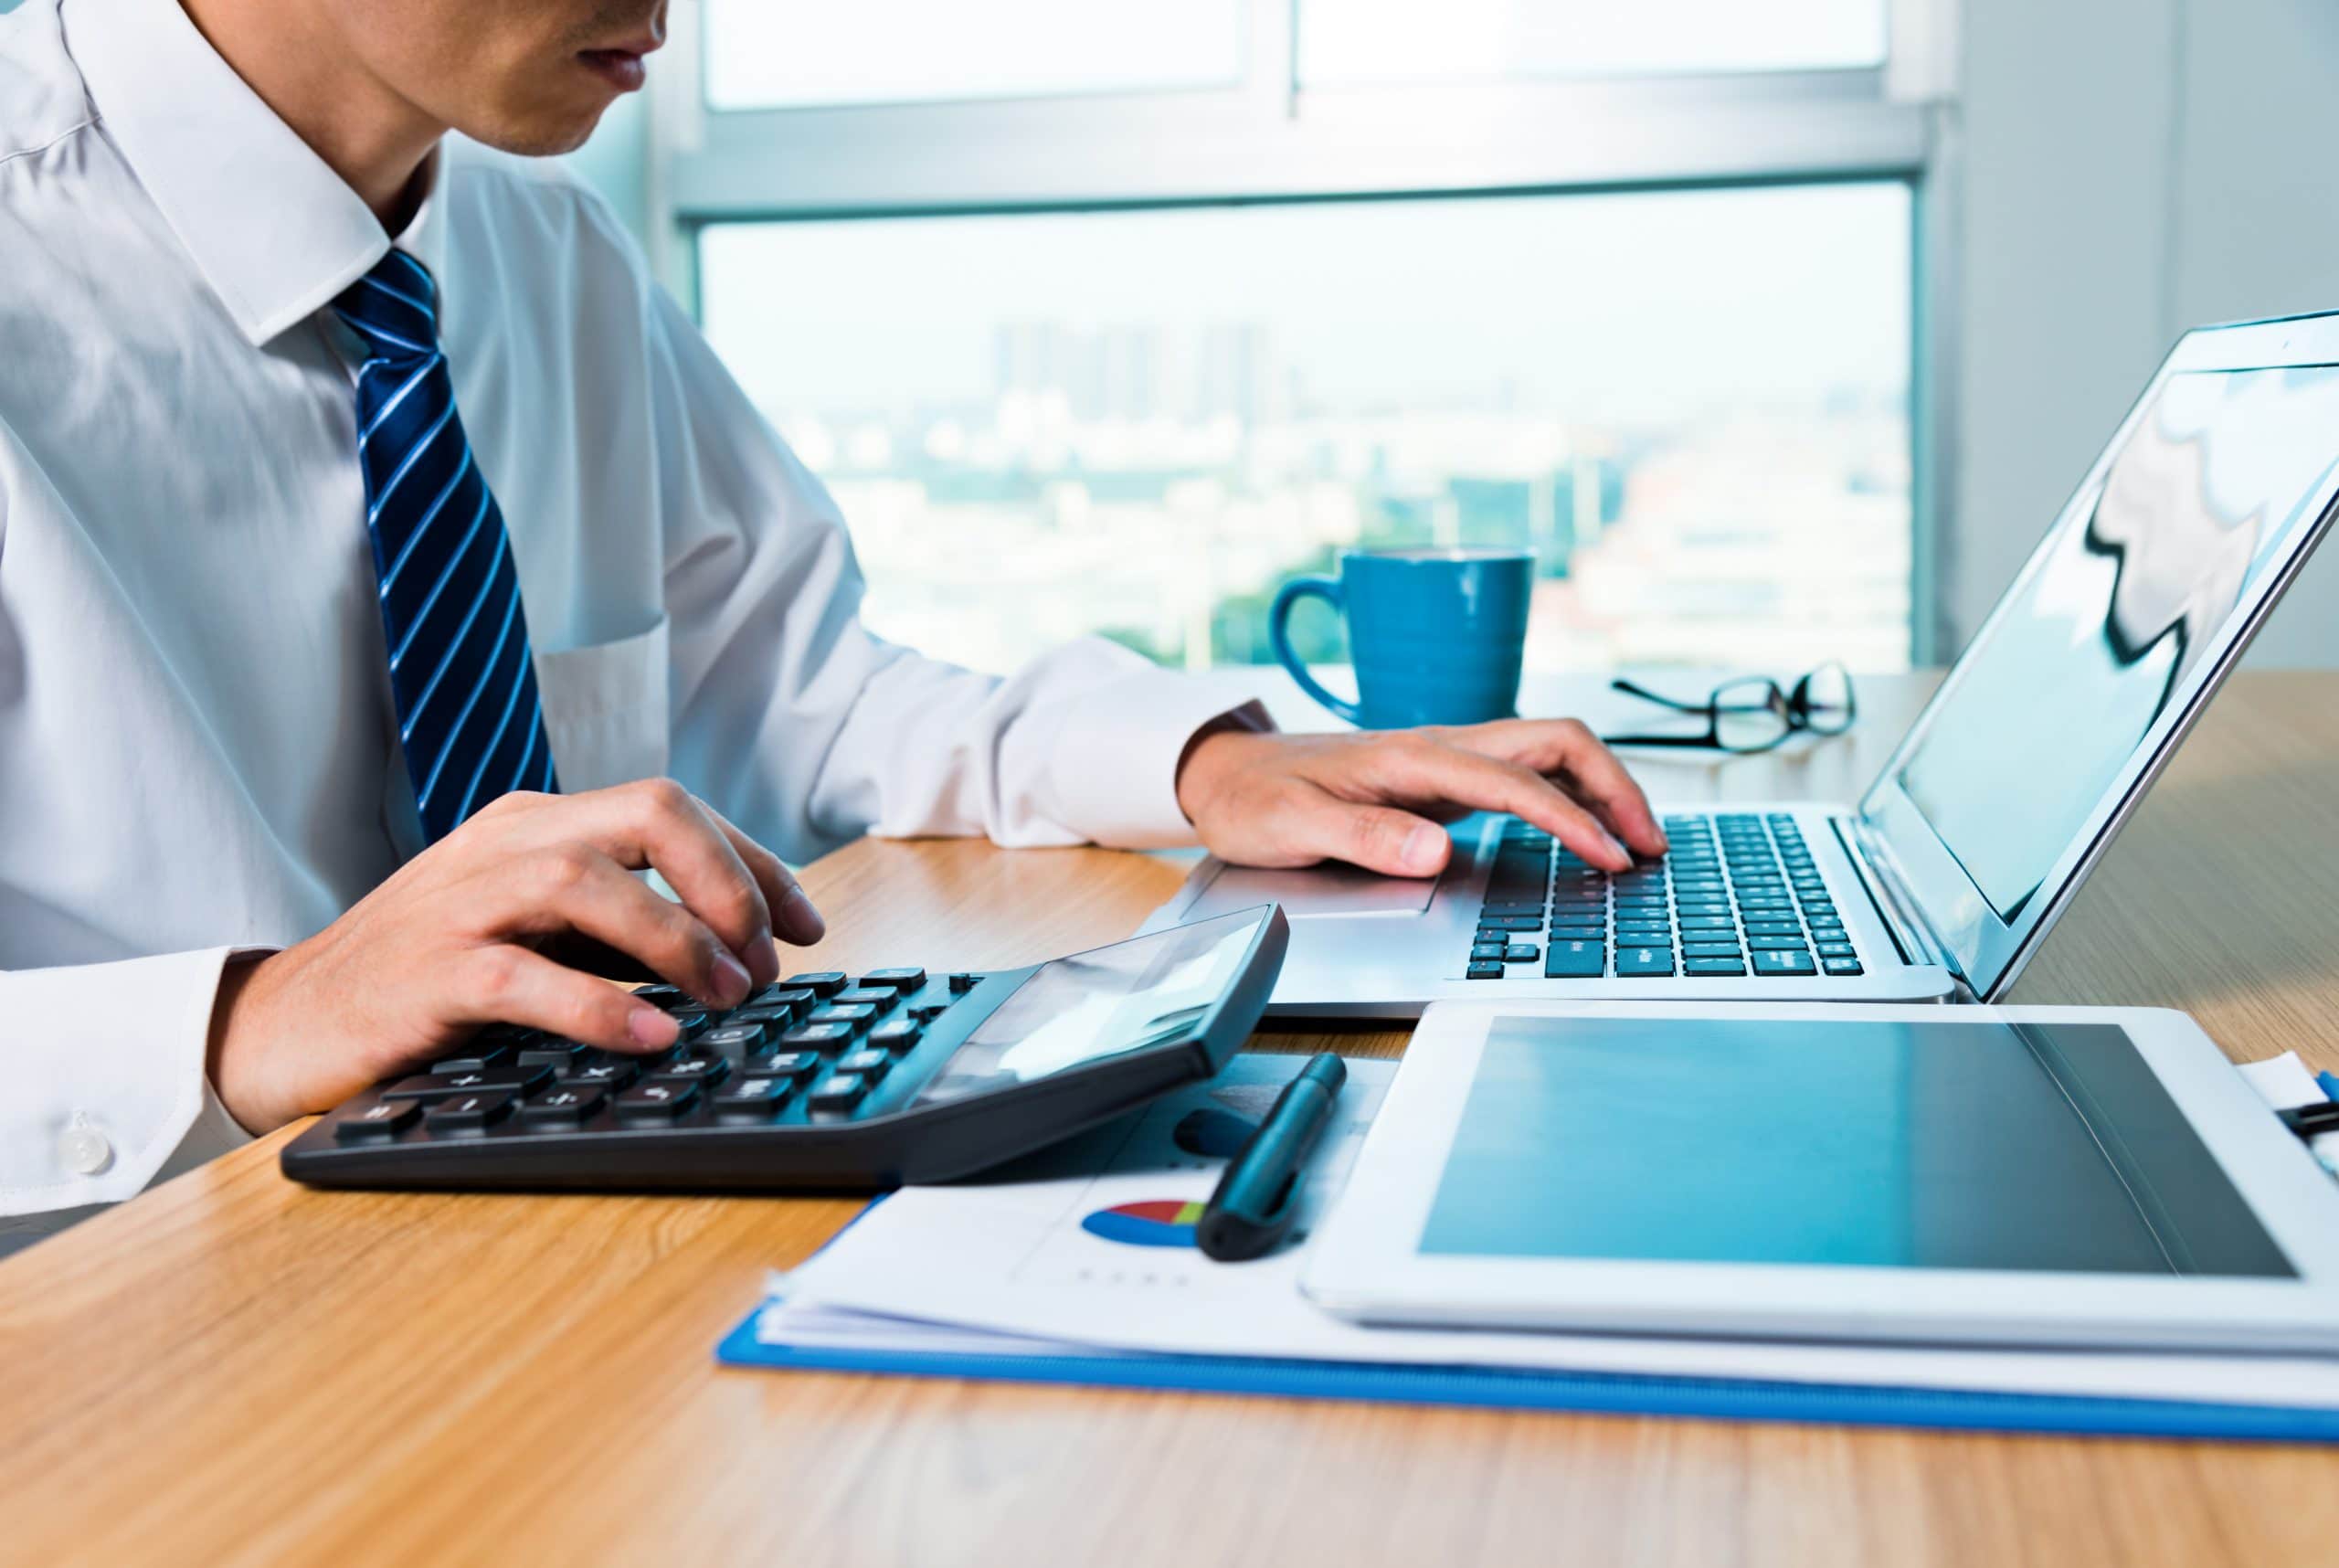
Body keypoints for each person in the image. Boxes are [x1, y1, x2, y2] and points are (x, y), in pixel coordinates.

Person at [0, 0, 1666, 1240]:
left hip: (542, 1254)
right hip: (124, 1310)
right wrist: (246, 1020)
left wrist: (1204, 765)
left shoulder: (540, 256)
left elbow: (803, 689)